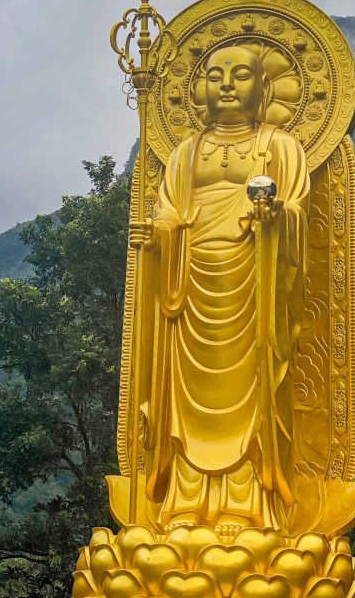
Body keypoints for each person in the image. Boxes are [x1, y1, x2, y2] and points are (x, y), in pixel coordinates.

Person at [128, 44, 310, 537]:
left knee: (251, 397)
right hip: (186, 287)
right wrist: (157, 234)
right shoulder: (186, 152)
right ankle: (184, 505)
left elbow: (296, 211)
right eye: (214, 75)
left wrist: (273, 218)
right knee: (184, 404)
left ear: (266, 88)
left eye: (241, 74)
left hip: (253, 282)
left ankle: (246, 506)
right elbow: (169, 210)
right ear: (199, 89)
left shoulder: (281, 147)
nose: (226, 84)